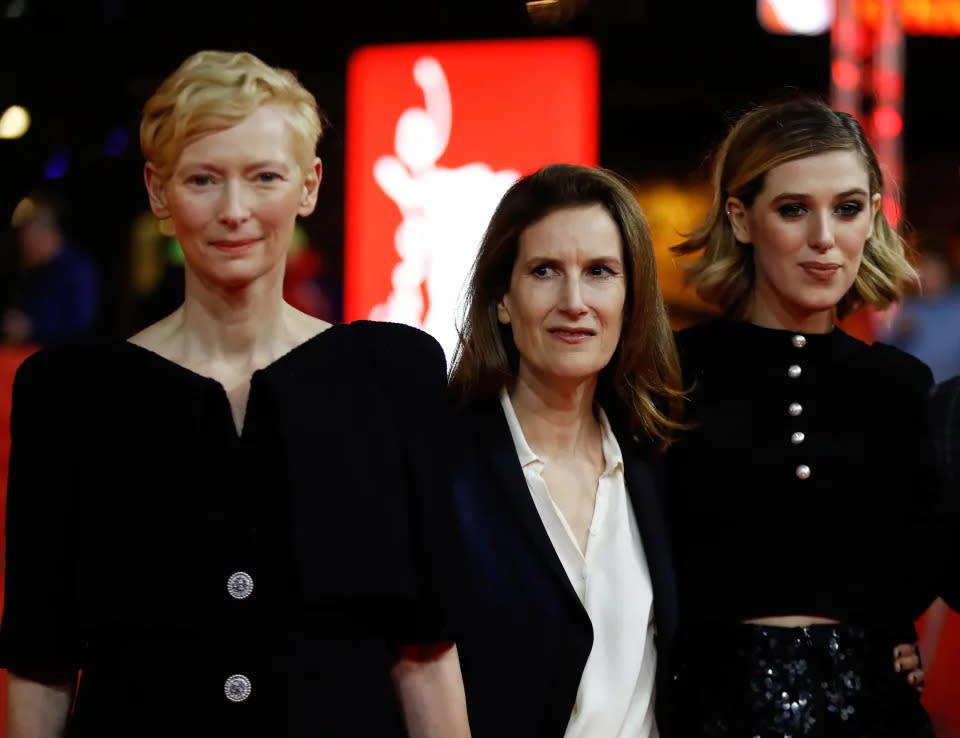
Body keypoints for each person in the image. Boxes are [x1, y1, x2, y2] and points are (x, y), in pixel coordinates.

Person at [0, 50, 469, 738]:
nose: (235, 210)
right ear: (159, 193)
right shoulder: (70, 395)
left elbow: (425, 648)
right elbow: (39, 664)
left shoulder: (394, 375)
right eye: (203, 179)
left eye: (264, 177)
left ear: (308, 186)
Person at [667, 96, 940, 737]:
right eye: (794, 209)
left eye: (847, 208)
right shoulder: (673, 373)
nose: (824, 237)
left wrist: (893, 628)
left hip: (875, 713)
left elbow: (929, 546)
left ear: (873, 214)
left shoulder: (903, 386)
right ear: (740, 217)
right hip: (712, 713)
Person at [448, 163, 685, 738]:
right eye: (545, 271)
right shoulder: (444, 462)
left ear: (630, 299)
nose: (574, 300)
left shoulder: (659, 464)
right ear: (503, 299)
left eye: (600, 271)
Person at [2, 192, 99, 346]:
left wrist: (31, 328)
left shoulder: (78, 270)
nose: (23, 247)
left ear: (45, 234)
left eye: (27, 239)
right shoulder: (35, 273)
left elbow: (82, 324)